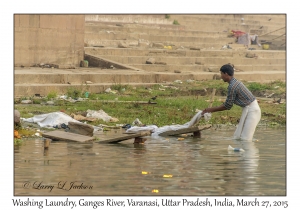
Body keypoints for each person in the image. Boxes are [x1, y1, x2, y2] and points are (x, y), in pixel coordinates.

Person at [202, 64, 261, 141]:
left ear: (226, 74)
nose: (221, 76)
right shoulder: (234, 83)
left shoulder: (232, 86)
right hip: (249, 109)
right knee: (240, 137)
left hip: (253, 110)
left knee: (246, 139)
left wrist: (210, 110)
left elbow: (227, 106)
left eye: (221, 74)